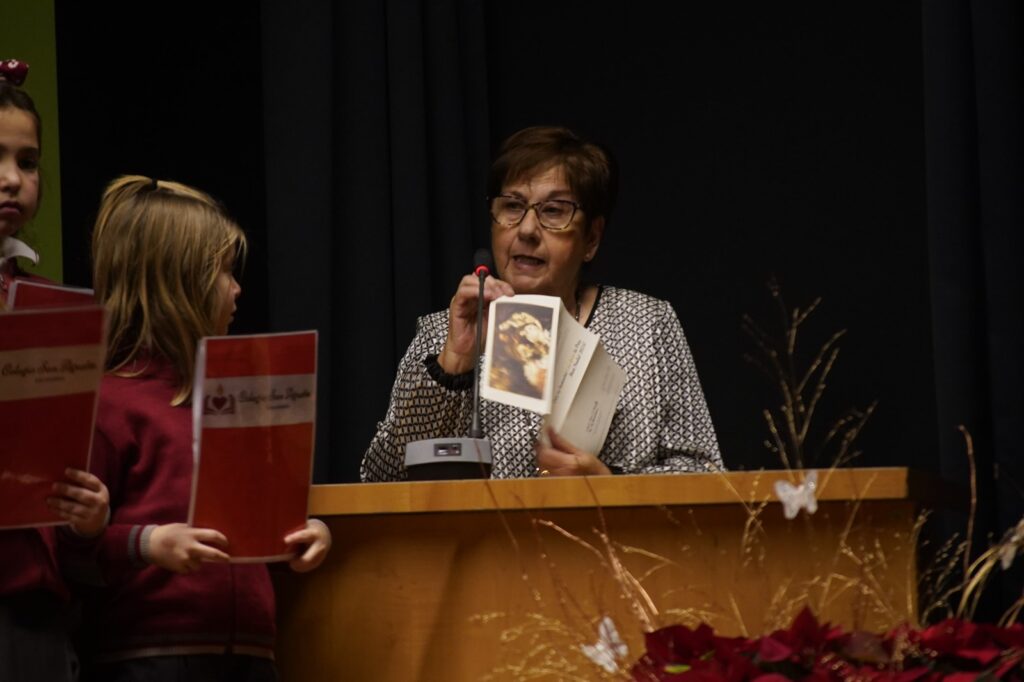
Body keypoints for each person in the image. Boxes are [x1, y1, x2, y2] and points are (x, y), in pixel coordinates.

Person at [77, 176, 331, 681]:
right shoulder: (108, 405)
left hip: (251, 653)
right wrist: (149, 543)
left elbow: (254, 525)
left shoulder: (236, 400)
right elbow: (72, 550)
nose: (237, 289)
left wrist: (305, 535)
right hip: (151, 656)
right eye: (224, 272)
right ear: (179, 283)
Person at [361, 125, 723, 480]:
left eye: (553, 210)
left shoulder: (646, 323)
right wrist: (453, 364)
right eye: (512, 206)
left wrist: (609, 484)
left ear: (592, 238)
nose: (527, 230)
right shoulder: (443, 332)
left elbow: (705, 475)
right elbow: (381, 478)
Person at [0, 58, 111, 682]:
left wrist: (86, 514)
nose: (12, 180)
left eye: (28, 161)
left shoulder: (50, 308)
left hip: (32, 615)